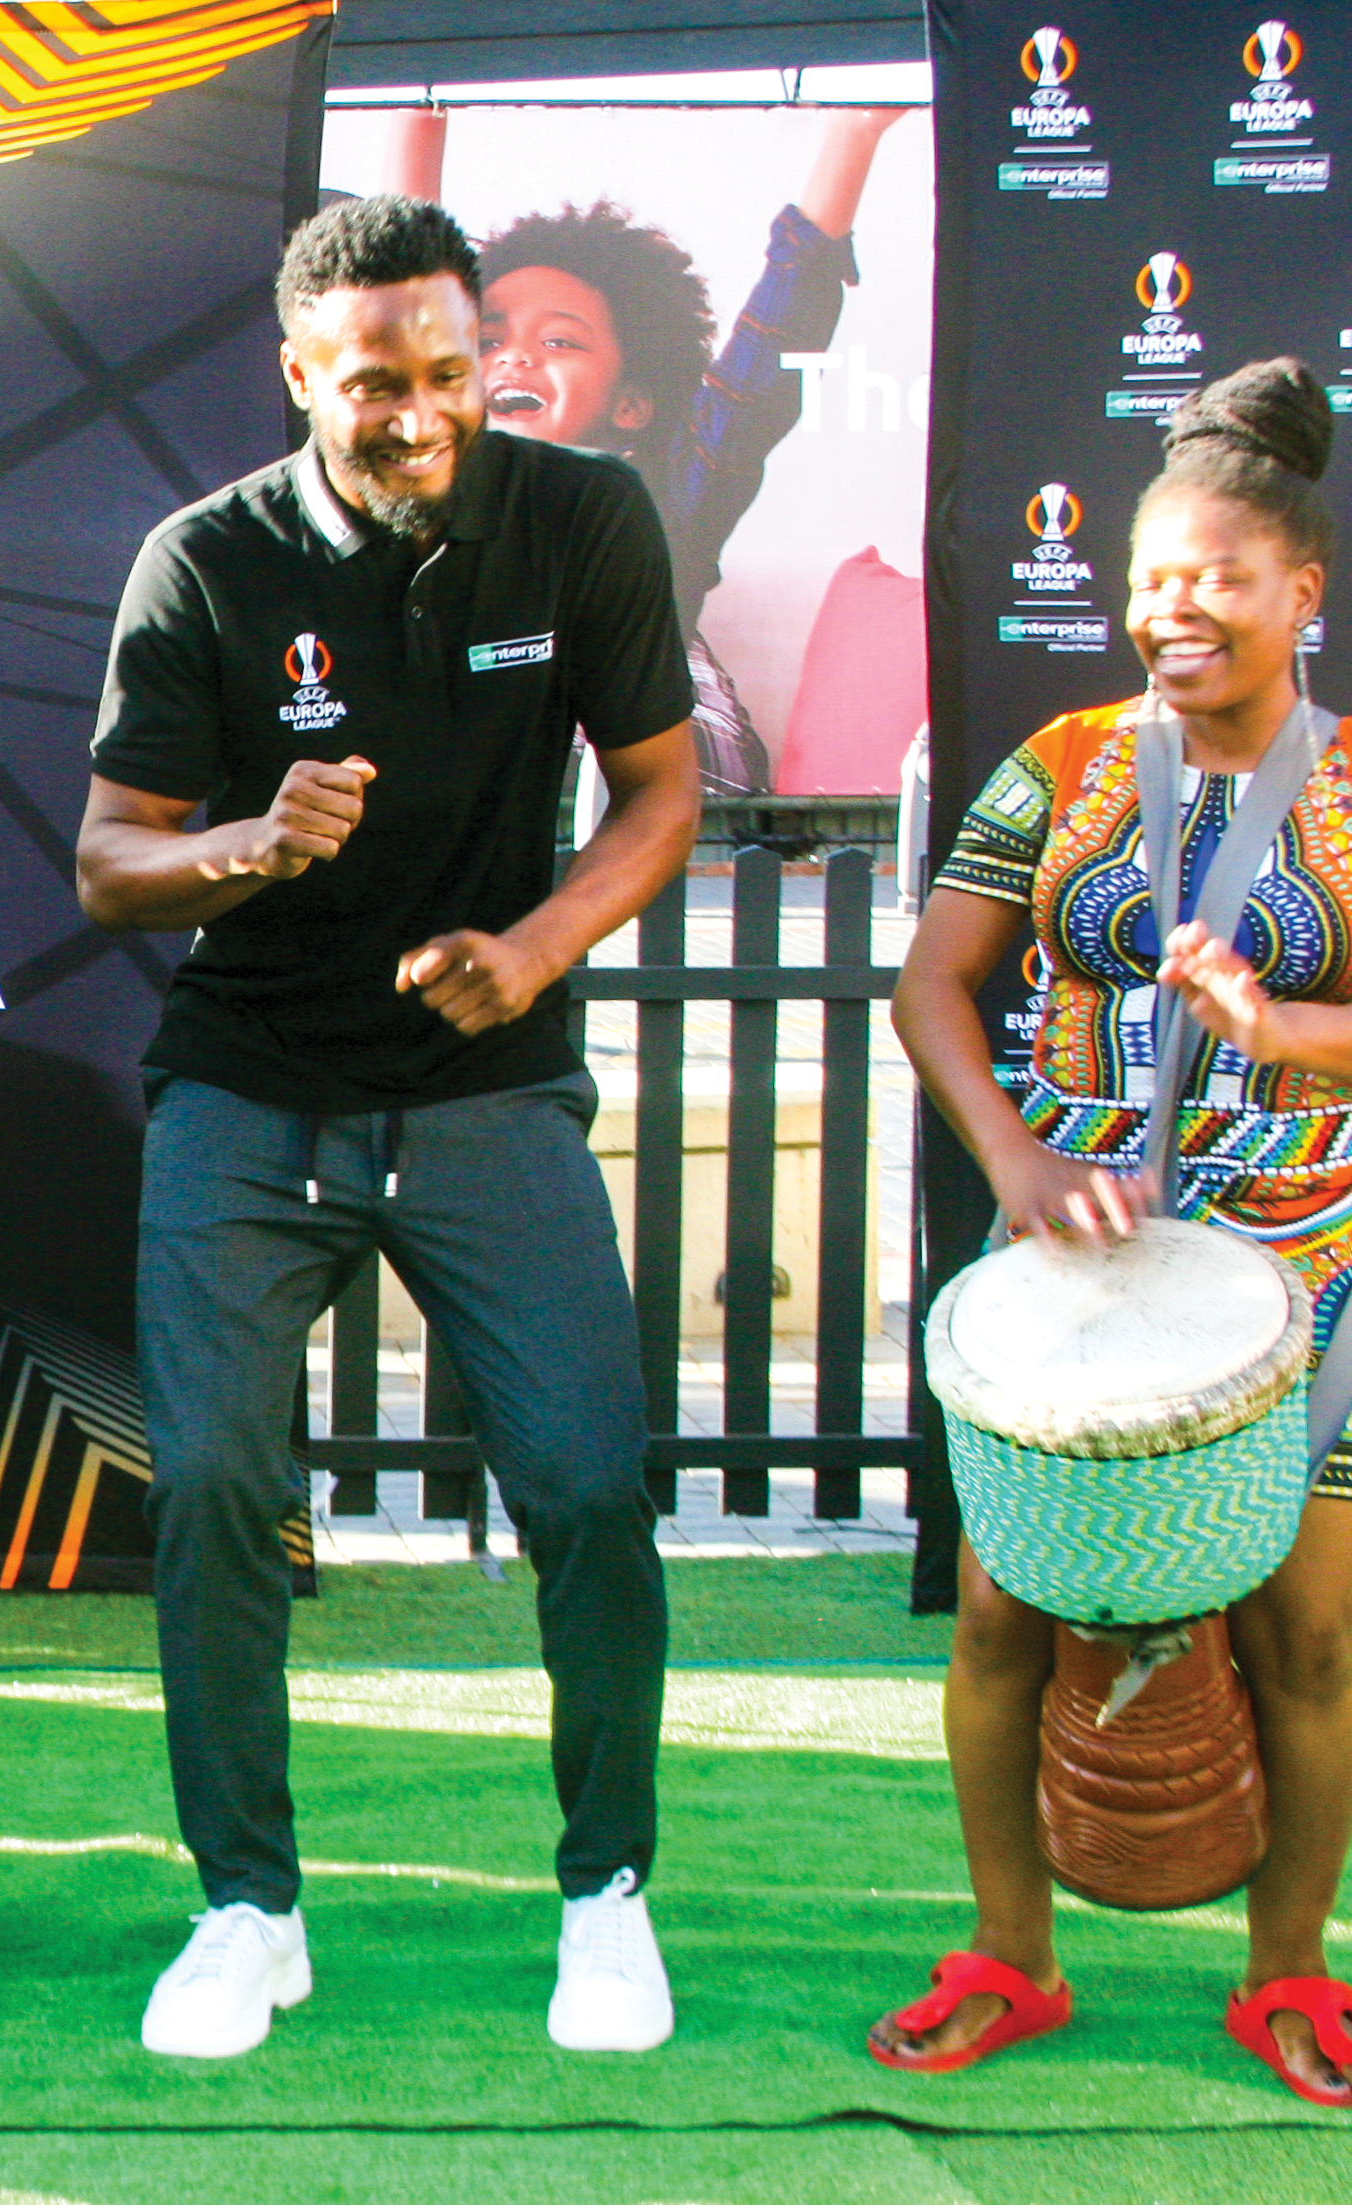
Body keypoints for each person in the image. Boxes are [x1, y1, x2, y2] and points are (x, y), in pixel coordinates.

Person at [76, 195, 701, 2060]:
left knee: (587, 1484)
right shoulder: (201, 562)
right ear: (297, 378)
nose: (421, 413)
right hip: (252, 1084)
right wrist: (247, 845)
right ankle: (245, 1908)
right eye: (375, 385)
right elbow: (110, 862)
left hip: (482, 1084)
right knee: (208, 1491)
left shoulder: (577, 518)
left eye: (449, 373)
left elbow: (661, 793)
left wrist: (531, 949)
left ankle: (604, 1896)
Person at [883, 359, 1352, 2108]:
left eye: (1218, 578)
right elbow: (933, 977)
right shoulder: (1061, 763)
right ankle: (1010, 1952)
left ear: (1299, 590)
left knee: (1307, 1641)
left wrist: (1276, 1031)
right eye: (1153, 580)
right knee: (1006, 1623)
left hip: (1309, 1267)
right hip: (1073, 1262)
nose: (1176, 610)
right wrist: (1006, 1159)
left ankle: (1289, 1972)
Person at [386, 105, 909, 793]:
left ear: (631, 405)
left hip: (667, 791)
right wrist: (417, 109)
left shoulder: (662, 499)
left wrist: (855, 129)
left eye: (559, 341)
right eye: (488, 341)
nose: (512, 359)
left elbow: (768, 353)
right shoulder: (430, 487)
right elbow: (406, 308)